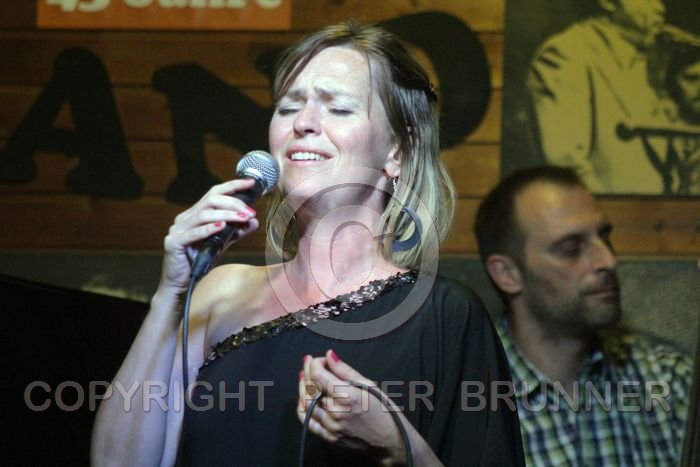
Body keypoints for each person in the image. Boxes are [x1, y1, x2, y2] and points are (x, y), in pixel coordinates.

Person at [91, 21, 525, 466]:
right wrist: (170, 295)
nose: (303, 123)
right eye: (288, 107)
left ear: (397, 150)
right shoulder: (219, 294)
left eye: (338, 108)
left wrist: (399, 447)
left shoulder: (444, 316)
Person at [473, 165, 693, 465]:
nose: (608, 260)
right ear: (507, 274)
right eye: (571, 248)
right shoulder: (468, 401)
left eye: (605, 237)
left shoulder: (670, 382)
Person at [527, 0, 674, 194]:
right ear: (608, 2)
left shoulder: (642, 60)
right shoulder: (565, 54)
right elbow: (566, 165)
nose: (660, 8)